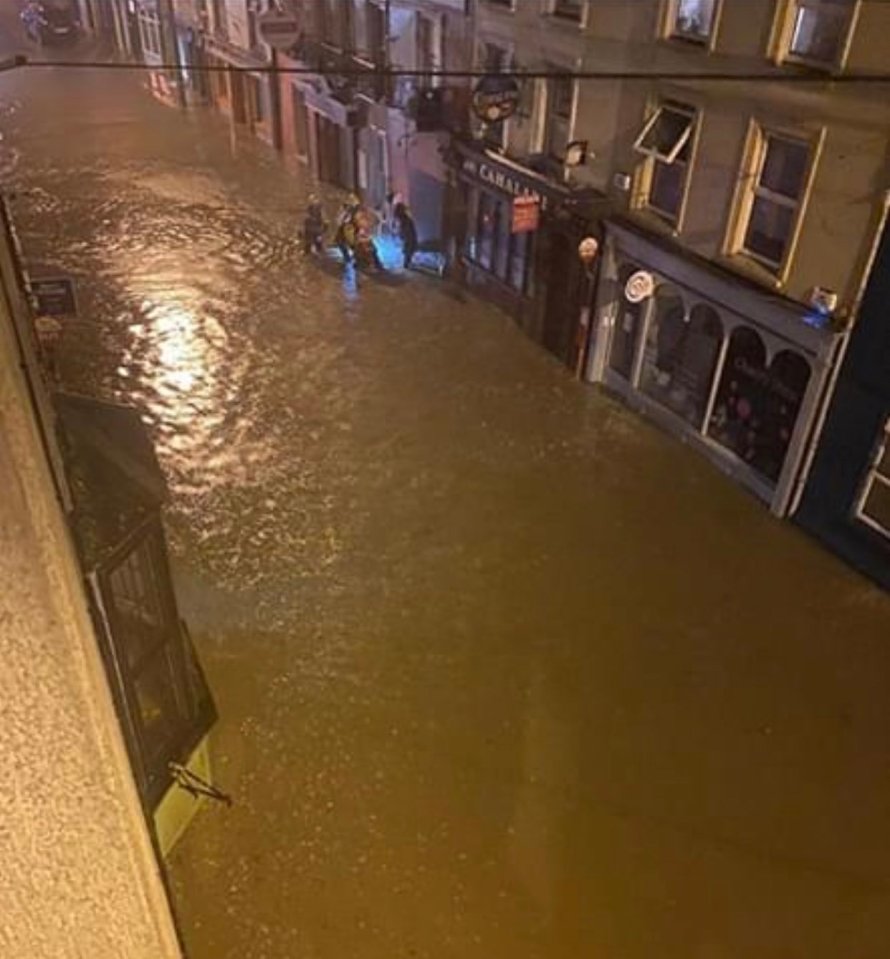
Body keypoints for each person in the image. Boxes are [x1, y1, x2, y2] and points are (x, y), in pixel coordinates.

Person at [393, 202, 418, 270]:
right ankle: (406, 262)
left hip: (408, 234)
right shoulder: (403, 218)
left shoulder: (405, 218)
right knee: (409, 247)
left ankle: (407, 262)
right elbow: (402, 226)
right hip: (408, 234)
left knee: (409, 247)